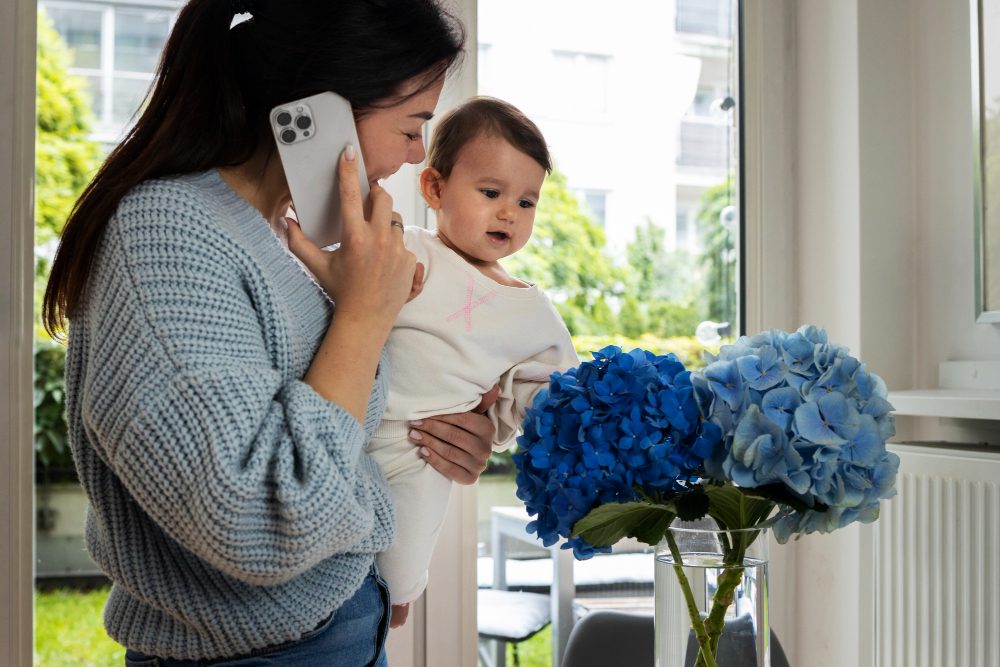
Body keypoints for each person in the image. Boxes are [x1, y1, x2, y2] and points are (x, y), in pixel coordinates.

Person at [41, 1, 497, 665]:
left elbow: (332, 433)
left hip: (336, 627)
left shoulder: (280, 236)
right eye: (410, 125)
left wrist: (444, 433)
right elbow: (257, 521)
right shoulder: (164, 239)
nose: (415, 155)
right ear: (318, 109)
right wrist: (363, 315)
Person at [371, 97, 579, 626]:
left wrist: (499, 424)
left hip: (424, 452)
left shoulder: (532, 311)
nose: (510, 212)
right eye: (491, 193)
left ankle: (391, 611)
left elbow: (545, 392)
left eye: (527, 202)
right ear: (435, 189)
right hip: (351, 427)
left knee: (398, 571)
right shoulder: (406, 249)